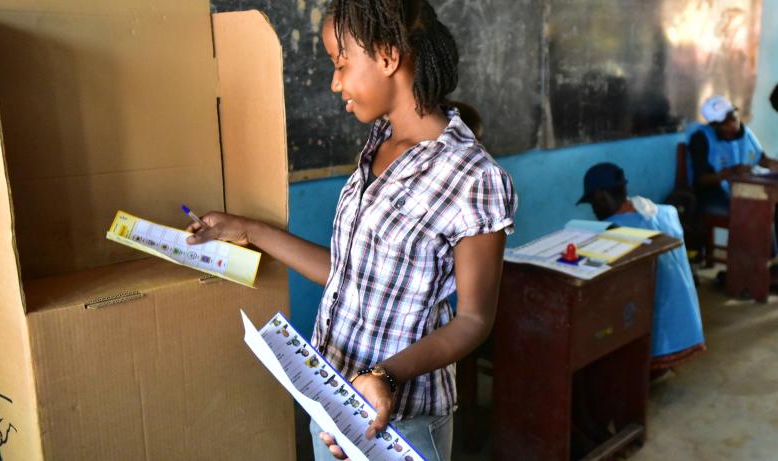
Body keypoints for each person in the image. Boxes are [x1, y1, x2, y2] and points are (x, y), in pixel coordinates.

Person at [186, 1, 517, 459]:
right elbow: (350, 275)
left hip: (400, 422)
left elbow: (474, 321)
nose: (334, 82)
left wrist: (384, 378)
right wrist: (245, 229)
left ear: (387, 57)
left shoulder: (473, 177)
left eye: (341, 64)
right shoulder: (379, 143)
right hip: (333, 396)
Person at [577, 163, 705, 373]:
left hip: (658, 336)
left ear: (601, 196)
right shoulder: (667, 212)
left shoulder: (614, 231)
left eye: (592, 204)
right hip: (687, 327)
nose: (594, 211)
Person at [687, 95, 778, 216]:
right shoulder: (701, 138)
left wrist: (770, 164)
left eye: (733, 116)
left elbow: (760, 159)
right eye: (724, 121)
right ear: (714, 125)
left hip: (745, 190)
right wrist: (731, 172)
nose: (732, 123)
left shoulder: (745, 132)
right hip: (715, 194)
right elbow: (700, 180)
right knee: (753, 210)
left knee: (770, 204)